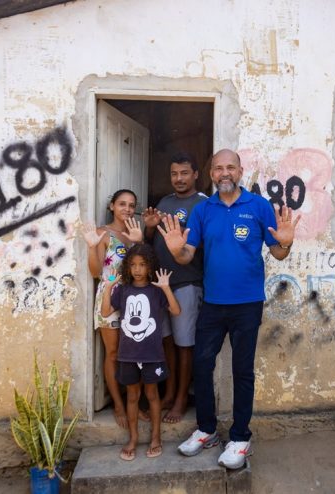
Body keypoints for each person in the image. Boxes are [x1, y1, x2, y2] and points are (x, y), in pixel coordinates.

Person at [158, 149, 300, 469]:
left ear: (240, 171)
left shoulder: (259, 206)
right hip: (213, 303)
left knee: (242, 371)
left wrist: (287, 242)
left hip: (247, 304)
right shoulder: (203, 209)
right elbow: (186, 254)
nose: (225, 173)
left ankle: (240, 437)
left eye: (230, 168)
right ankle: (207, 430)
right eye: (219, 168)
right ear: (211, 174)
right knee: (202, 365)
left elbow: (277, 253)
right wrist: (178, 250)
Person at [143, 152, 208, 424]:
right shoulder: (165, 202)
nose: (178, 179)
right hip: (160, 282)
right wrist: (149, 228)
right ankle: (169, 394)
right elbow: (150, 241)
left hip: (186, 283)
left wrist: (181, 232)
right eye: (174, 174)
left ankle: (182, 398)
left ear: (195, 175)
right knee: (166, 341)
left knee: (184, 345)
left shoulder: (204, 204)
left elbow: (207, 242)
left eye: (184, 173)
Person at [100, 243, 181, 461]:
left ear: (150, 266)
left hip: (152, 355)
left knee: (152, 395)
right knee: (133, 396)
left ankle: (156, 437)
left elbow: (175, 310)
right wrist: (109, 288)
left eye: (142, 265)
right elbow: (105, 311)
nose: (137, 270)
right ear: (127, 267)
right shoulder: (123, 290)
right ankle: (133, 439)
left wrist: (165, 287)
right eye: (133, 265)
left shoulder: (156, 290)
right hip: (128, 355)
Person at [81, 189, 143, 429]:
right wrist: (91, 247)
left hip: (136, 302)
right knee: (114, 354)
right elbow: (96, 272)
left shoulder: (135, 233)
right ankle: (118, 404)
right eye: (122, 204)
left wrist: (138, 241)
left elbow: (145, 266)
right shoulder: (102, 233)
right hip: (109, 299)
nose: (127, 209)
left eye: (131, 205)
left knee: (136, 354)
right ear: (112, 206)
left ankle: (134, 405)